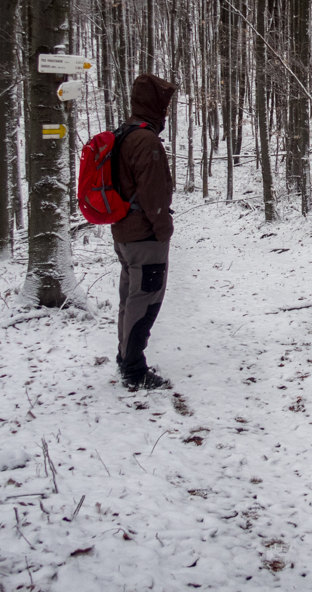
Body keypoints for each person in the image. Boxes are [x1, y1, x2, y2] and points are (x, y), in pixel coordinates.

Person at [113, 74, 177, 390]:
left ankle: (126, 357)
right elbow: (153, 193)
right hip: (145, 235)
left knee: (130, 296)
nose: (166, 111)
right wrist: (163, 228)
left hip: (126, 232)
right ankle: (134, 370)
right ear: (154, 105)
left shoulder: (125, 132)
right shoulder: (145, 140)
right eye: (163, 105)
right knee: (146, 299)